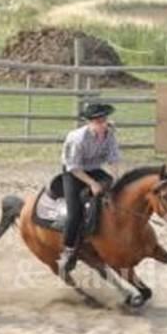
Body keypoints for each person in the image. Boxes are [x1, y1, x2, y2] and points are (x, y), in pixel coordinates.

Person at [57, 103, 121, 277]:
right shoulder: (77, 138)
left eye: (104, 120)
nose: (103, 124)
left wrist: (115, 178)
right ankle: (68, 251)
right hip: (74, 173)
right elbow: (73, 167)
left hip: (93, 169)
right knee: (74, 213)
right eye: (98, 121)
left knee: (112, 190)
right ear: (90, 123)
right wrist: (92, 183)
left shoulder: (110, 134)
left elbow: (113, 158)